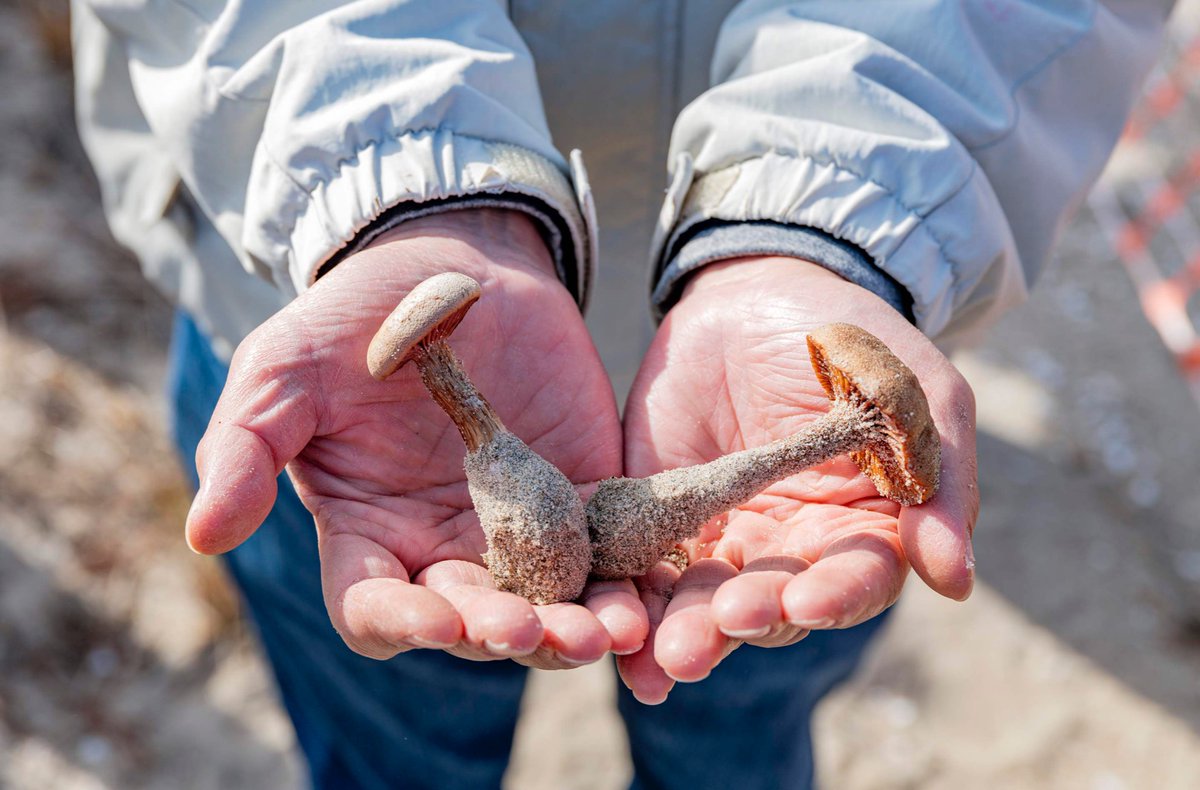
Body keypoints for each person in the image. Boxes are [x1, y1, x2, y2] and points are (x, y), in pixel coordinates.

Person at [72, 1, 1174, 787]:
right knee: (396, 732)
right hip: (329, 304)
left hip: (803, 316)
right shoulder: (443, 417)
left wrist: (837, 216)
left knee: (738, 708)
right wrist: (397, 183)